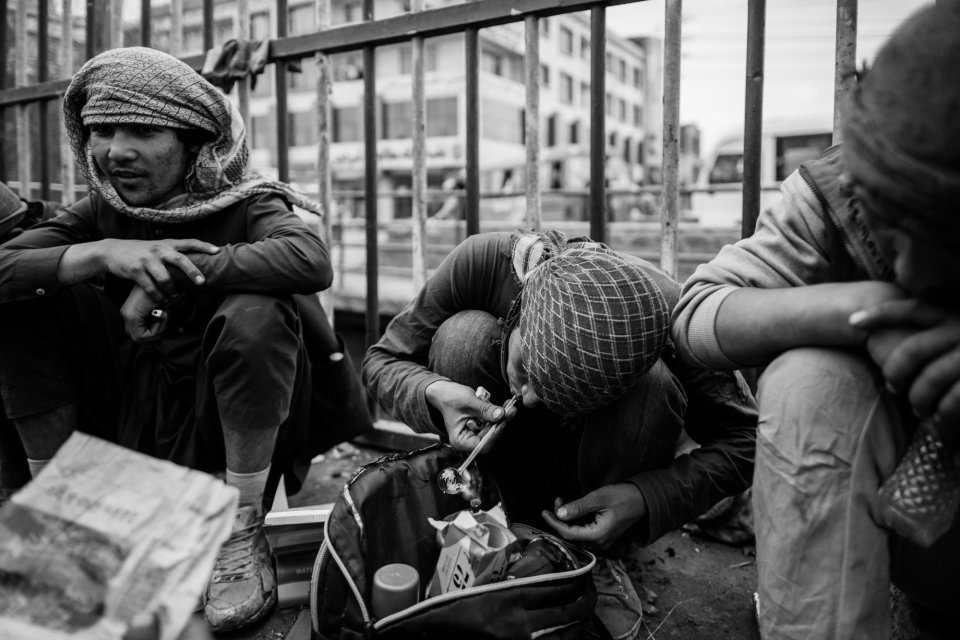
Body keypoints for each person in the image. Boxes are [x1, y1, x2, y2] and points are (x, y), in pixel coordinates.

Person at [0, 47, 372, 634]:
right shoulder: (102, 212)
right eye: (102, 131)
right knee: (27, 297)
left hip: (216, 421)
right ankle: (62, 515)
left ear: (193, 142)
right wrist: (105, 253)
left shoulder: (247, 202)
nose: (115, 151)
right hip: (129, 407)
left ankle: (240, 528)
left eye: (143, 131)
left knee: (258, 310)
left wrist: (164, 274)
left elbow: (308, 258)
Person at [671, 4, 960, 638]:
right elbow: (696, 313)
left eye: (947, 235)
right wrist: (864, 312)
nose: (910, 268)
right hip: (915, 537)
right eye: (887, 219)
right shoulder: (836, 188)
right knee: (812, 380)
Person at [362, 229, 757, 640]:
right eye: (525, 368)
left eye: (551, 394)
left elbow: (746, 440)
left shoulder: (672, 319)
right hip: (502, 469)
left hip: (586, 483)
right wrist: (434, 393)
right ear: (520, 307)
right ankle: (482, 520)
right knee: (462, 337)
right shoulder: (486, 263)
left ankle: (591, 556)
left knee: (654, 385)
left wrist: (644, 498)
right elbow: (380, 361)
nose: (526, 398)